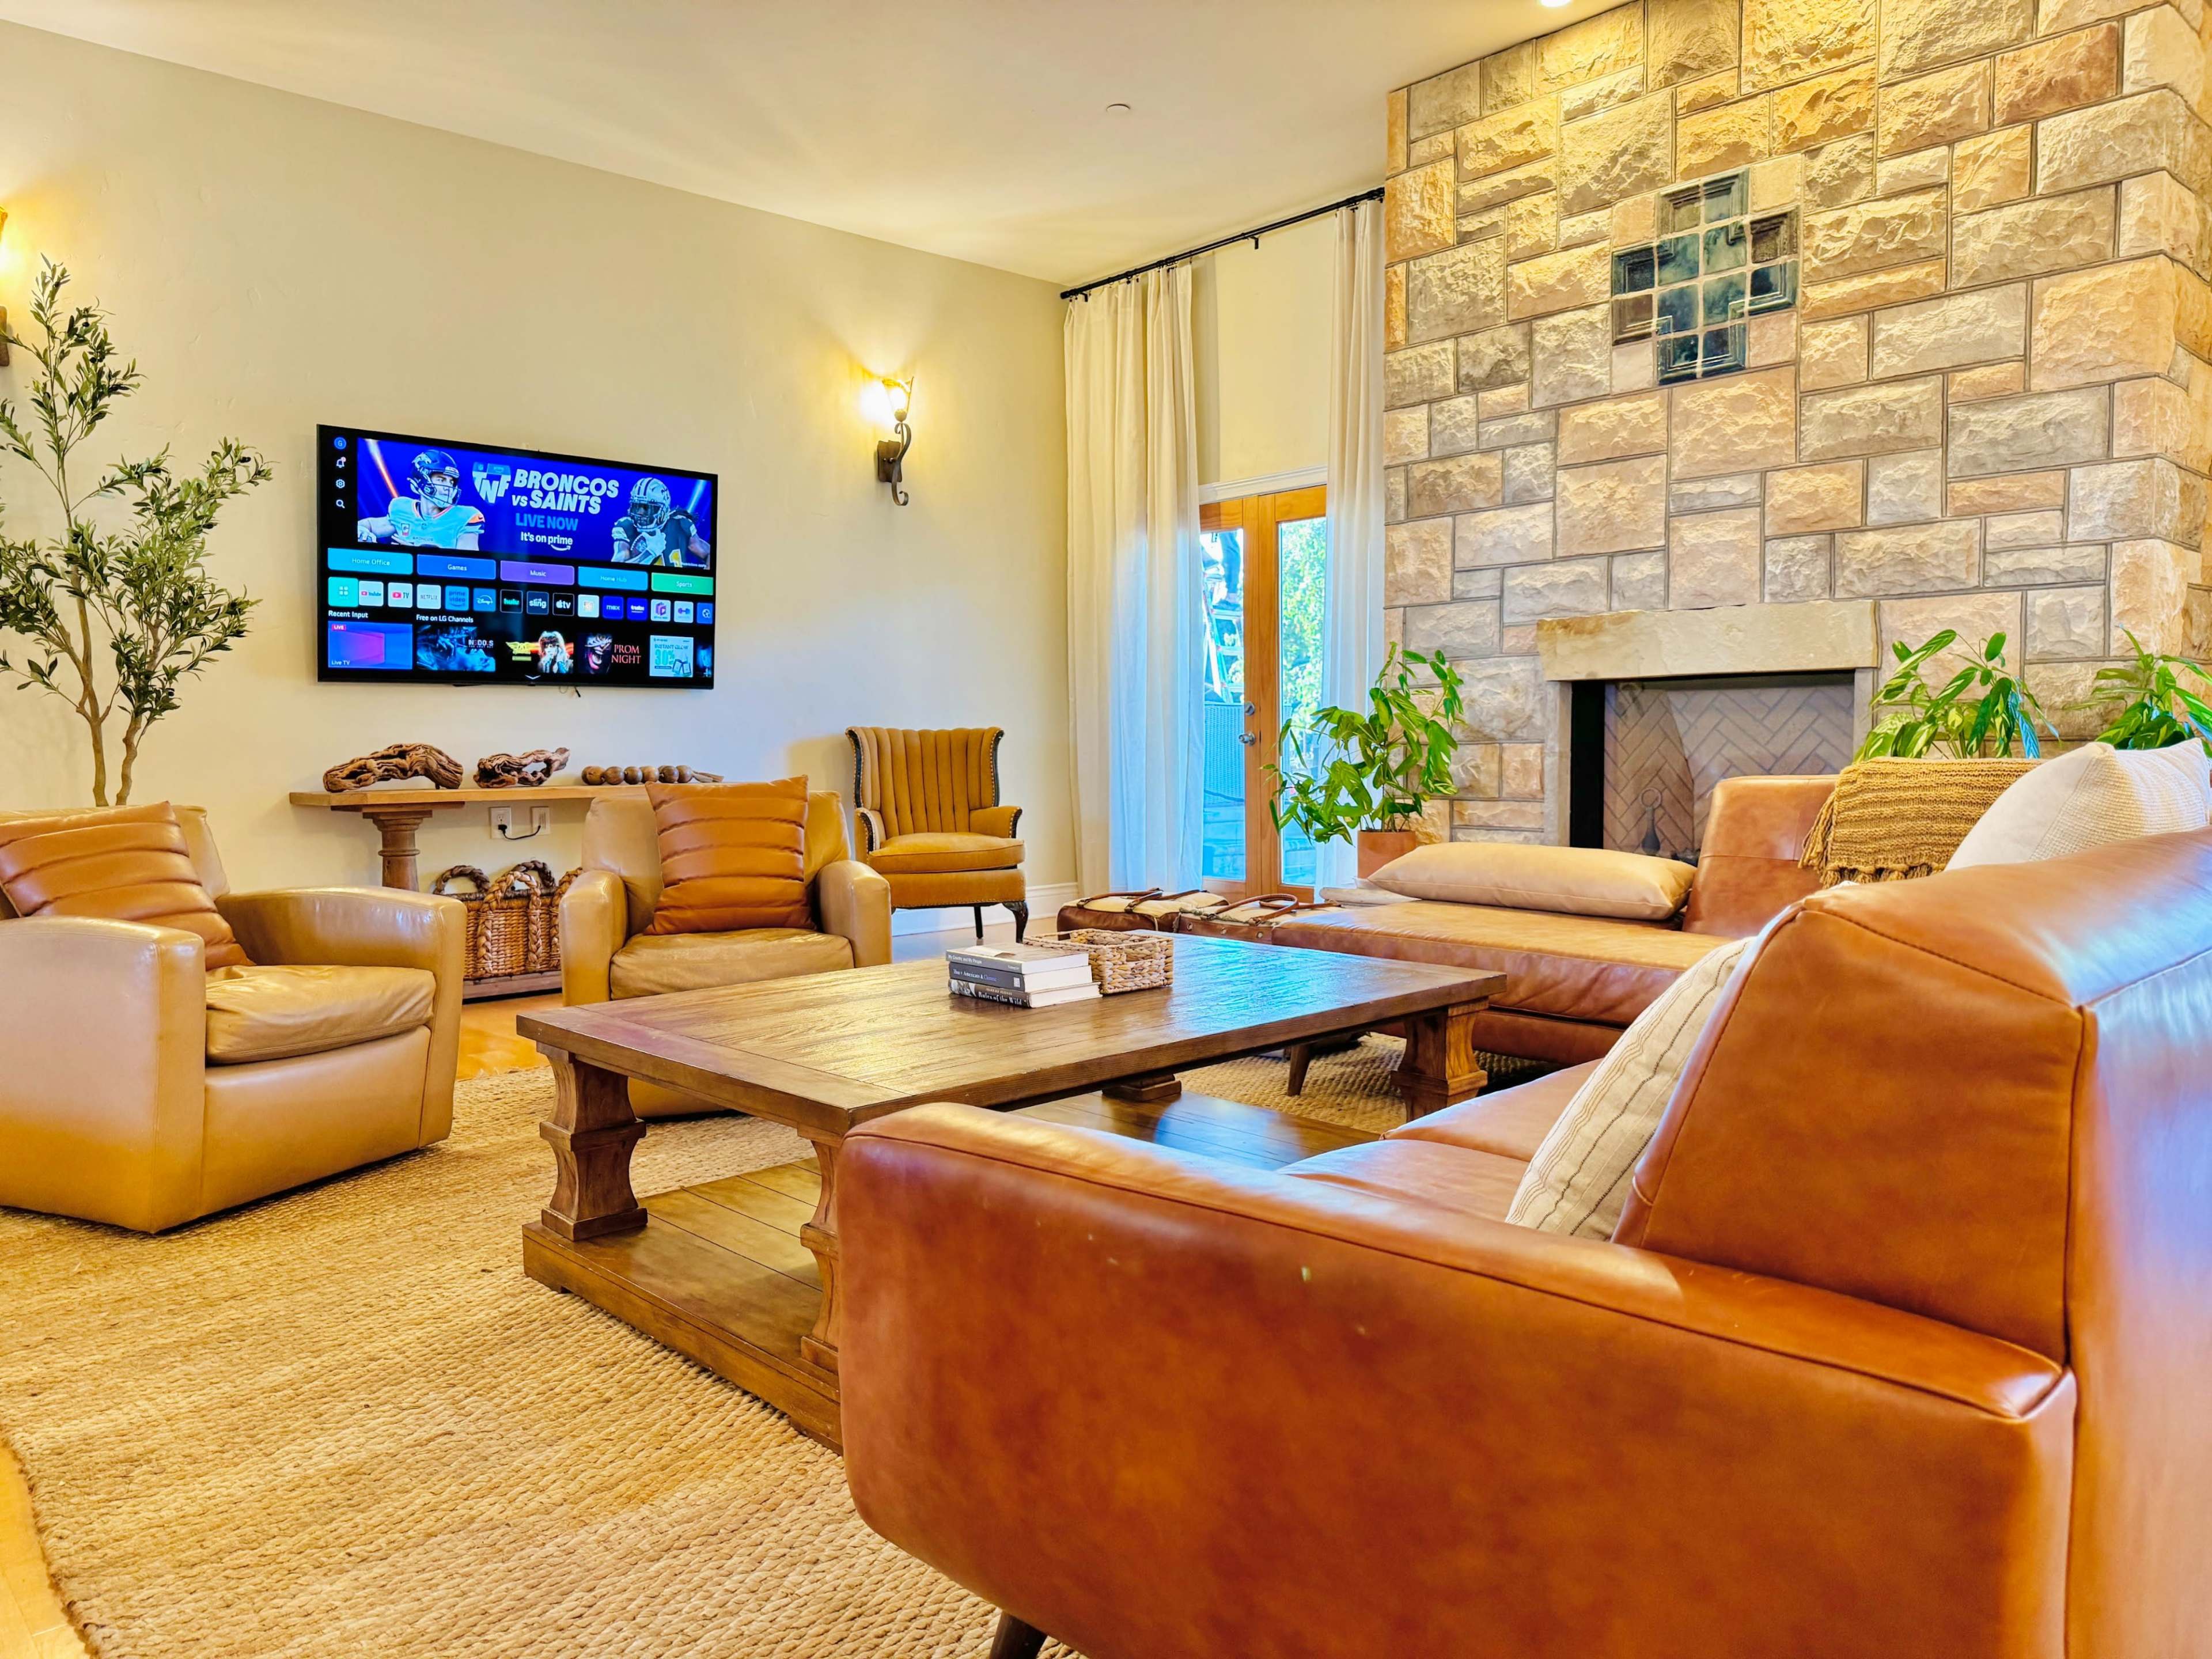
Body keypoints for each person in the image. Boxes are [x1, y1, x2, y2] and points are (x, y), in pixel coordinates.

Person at [358, 449, 486, 550]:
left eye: (451, 481)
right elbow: (372, 525)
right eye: (441, 480)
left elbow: (468, 562)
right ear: (421, 480)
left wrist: (418, 552)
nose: (448, 487)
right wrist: (361, 529)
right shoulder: (402, 508)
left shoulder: (467, 516)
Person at [609, 476, 710, 567]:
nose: (640, 513)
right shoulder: (627, 527)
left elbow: (710, 554)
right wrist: (649, 553)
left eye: (647, 508)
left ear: (664, 510)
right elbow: (616, 570)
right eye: (637, 506)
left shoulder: (680, 524)